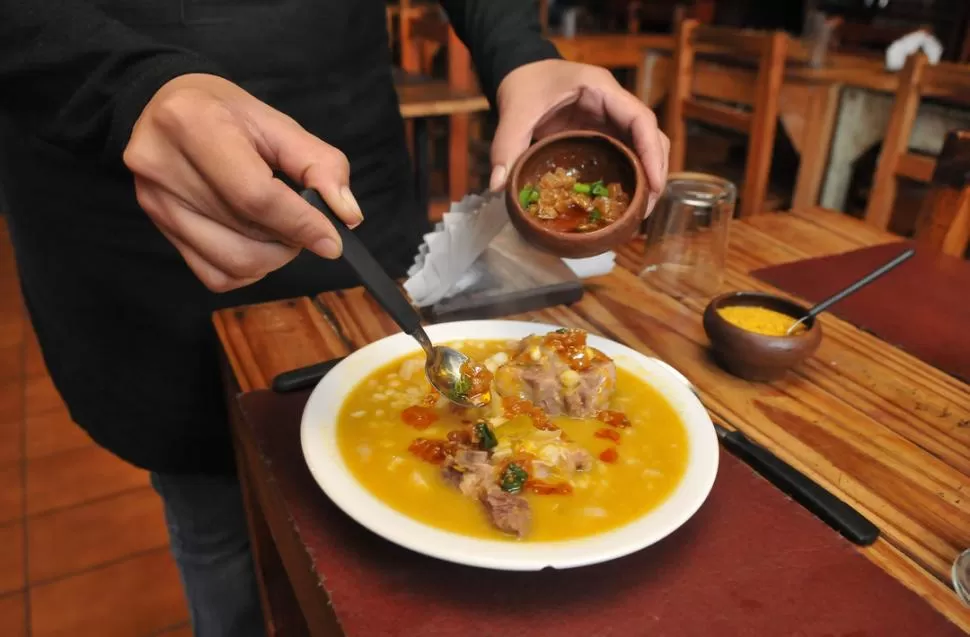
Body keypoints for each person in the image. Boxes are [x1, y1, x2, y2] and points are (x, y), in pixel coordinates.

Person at [1, 1, 669, 635]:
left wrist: (521, 51)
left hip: (354, 183)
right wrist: (124, 87)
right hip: (126, 205)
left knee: (397, 580)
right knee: (215, 525)